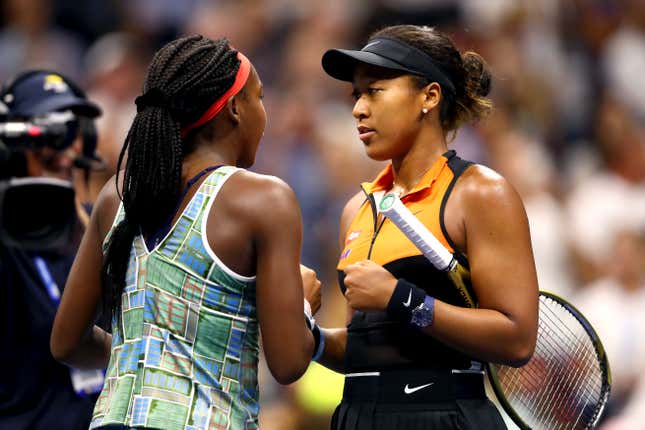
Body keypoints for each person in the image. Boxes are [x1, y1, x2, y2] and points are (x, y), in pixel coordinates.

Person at [50, 35, 323, 430]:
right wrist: (303, 307)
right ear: (234, 109)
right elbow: (288, 362)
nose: (266, 113)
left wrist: (144, 353)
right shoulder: (265, 199)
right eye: (259, 97)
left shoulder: (117, 193)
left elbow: (66, 343)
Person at [316, 25, 539, 429]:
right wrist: (310, 336)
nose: (358, 108)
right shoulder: (356, 210)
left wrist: (400, 297)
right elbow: (368, 349)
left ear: (429, 96)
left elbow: (517, 339)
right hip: (357, 418)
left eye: (375, 90)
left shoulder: (480, 193)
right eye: (356, 94)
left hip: (447, 417)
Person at [0, 70, 103, 429]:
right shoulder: (6, 239)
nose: (64, 148)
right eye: (47, 133)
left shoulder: (101, 229)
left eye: (72, 132)